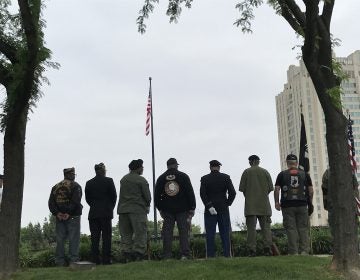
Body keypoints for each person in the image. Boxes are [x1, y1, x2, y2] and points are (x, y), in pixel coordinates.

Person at [154, 158, 196, 260]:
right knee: (183, 232)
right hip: (183, 209)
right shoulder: (183, 176)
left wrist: (160, 208)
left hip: (167, 210)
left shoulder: (161, 178)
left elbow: (156, 196)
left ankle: (167, 256)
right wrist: (192, 207)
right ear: (176, 165)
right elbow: (190, 192)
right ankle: (184, 255)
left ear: (167, 166)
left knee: (167, 233)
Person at [274, 154, 313, 255]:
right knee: (303, 228)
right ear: (296, 163)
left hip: (287, 205)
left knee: (291, 229)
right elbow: (311, 191)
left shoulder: (281, 174)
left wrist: (277, 202)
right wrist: (310, 202)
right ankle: (304, 251)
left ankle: (293, 252)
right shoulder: (305, 174)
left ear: (287, 163)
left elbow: (277, 189)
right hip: (302, 204)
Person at [200, 160, 236, 258]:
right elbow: (232, 192)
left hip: (209, 209)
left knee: (210, 234)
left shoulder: (204, 179)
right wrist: (228, 203)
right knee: (225, 233)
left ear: (210, 167)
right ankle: (227, 255)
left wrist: (209, 205)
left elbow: (203, 194)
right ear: (219, 167)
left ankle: (211, 256)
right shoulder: (226, 177)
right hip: (223, 208)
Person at [239, 155, 273, 257]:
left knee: (251, 230)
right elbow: (270, 188)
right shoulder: (265, 172)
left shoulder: (246, 172)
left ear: (251, 162)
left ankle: (252, 251)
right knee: (266, 229)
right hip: (264, 206)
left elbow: (242, 189)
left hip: (250, 206)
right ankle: (267, 249)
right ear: (258, 161)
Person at [117, 159, 151, 262]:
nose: (143, 169)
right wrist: (147, 205)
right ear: (138, 168)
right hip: (137, 210)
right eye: (142, 167)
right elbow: (148, 197)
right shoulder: (141, 180)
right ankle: (138, 254)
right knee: (140, 233)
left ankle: (126, 255)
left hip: (123, 210)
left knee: (125, 234)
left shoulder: (123, 179)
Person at [48, 167, 83, 266]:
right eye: (73, 175)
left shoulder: (55, 187)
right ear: (70, 174)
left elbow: (51, 203)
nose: (74, 177)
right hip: (73, 216)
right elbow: (76, 201)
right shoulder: (75, 186)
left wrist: (57, 213)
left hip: (59, 218)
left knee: (60, 240)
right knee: (73, 239)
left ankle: (59, 262)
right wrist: (68, 213)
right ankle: (74, 261)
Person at [85, 162, 117, 265]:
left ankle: (95, 260)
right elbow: (114, 197)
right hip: (106, 213)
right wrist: (109, 208)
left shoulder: (89, 183)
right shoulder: (109, 181)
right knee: (106, 238)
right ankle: (106, 260)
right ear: (103, 170)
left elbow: (88, 199)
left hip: (93, 213)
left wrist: (94, 206)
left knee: (94, 238)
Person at [321, 168, 359, 236]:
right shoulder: (350, 172)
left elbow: (324, 190)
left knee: (335, 233)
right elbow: (355, 189)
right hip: (348, 208)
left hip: (333, 207)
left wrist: (326, 204)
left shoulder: (327, 173)